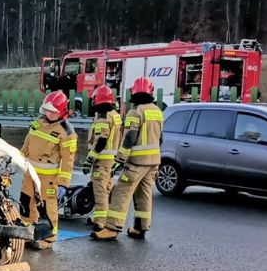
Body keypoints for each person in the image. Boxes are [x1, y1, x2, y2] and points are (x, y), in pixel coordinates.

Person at [91, 77, 164, 241]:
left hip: (136, 162)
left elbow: (130, 138)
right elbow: (161, 138)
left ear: (134, 92)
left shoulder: (135, 112)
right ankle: (140, 228)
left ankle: (111, 228)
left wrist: (120, 159)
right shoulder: (158, 111)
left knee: (121, 192)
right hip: (153, 162)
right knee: (144, 194)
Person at [19, 90, 77, 248]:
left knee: (47, 208)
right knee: (26, 202)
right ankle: (26, 233)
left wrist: (64, 183)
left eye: (52, 111)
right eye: (47, 110)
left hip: (49, 179)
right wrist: (16, 160)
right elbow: (26, 146)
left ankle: (48, 238)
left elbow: (68, 160)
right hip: (30, 174)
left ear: (61, 112)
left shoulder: (67, 132)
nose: (48, 113)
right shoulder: (38, 123)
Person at [83, 85, 122, 229]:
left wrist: (89, 159)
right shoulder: (115, 115)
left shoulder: (102, 116)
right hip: (111, 159)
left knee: (99, 190)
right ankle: (104, 216)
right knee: (106, 189)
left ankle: (100, 221)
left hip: (101, 159)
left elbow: (101, 140)